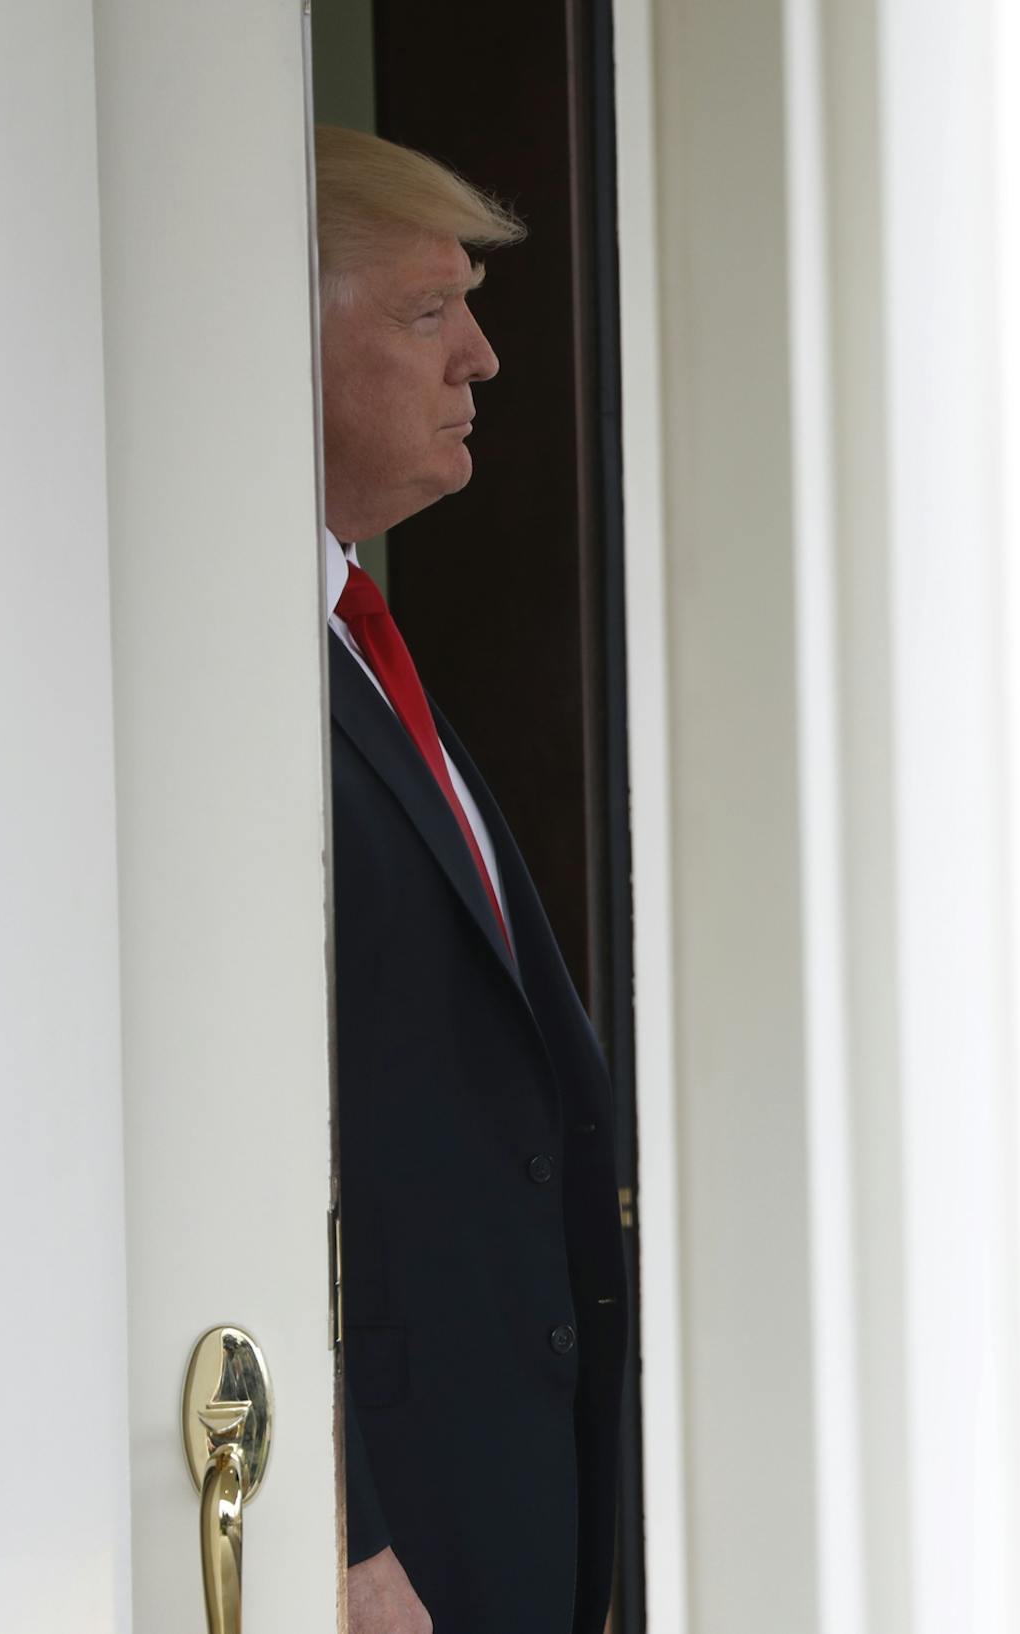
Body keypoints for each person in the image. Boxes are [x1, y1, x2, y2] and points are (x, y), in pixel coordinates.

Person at [317, 125, 626, 1634]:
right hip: (383, 1540)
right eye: (429, 309)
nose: (486, 358)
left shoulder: (355, 644)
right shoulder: (217, 667)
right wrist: (334, 1522)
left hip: (504, 1504)